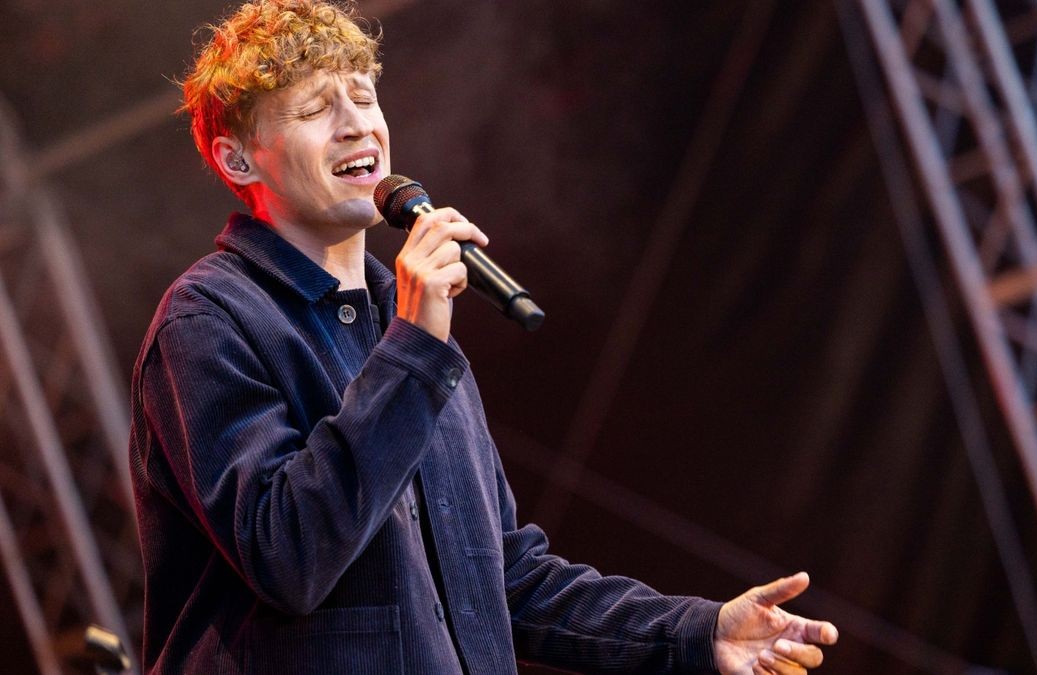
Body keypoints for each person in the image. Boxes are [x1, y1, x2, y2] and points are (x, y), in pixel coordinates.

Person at [128, 1, 838, 672]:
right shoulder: (210, 322)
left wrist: (697, 633)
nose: (357, 126)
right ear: (238, 160)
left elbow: (502, 575)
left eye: (364, 98)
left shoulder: (410, 326)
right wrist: (411, 347)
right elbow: (290, 554)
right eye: (316, 109)